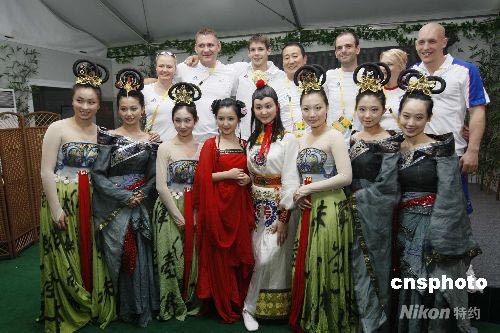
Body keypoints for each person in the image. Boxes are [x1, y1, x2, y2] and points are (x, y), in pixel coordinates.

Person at [396, 70, 481, 332]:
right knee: (406, 281)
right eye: (406, 116)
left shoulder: (440, 150)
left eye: (419, 117)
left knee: (434, 283)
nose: (411, 123)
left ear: (429, 118)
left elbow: (451, 198)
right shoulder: (392, 147)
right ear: (399, 115)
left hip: (434, 226)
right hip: (401, 227)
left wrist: (439, 232)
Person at [39, 59, 115, 333]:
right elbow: (46, 171)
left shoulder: (102, 133)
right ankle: (68, 307)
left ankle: (91, 301)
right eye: (80, 100)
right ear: (72, 100)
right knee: (64, 252)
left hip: (91, 199)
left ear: (99, 105)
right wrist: (56, 208)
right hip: (63, 198)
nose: (85, 107)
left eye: (91, 102)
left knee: (92, 248)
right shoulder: (56, 129)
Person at [289, 65, 357, 332]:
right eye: (306, 109)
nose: (312, 114)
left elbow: (346, 176)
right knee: (308, 261)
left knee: (327, 262)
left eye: (317, 107)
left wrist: (308, 190)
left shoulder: (335, 136)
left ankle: (330, 319)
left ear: (327, 107)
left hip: (331, 208)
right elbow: (298, 175)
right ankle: (313, 315)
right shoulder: (301, 137)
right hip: (309, 208)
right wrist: (298, 194)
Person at [91, 69, 159, 327]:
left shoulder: (151, 141)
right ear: (118, 110)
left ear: (142, 109)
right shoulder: (108, 137)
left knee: (140, 255)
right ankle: (123, 307)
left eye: (134, 108)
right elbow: (98, 175)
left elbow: (154, 176)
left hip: (139, 204)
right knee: (119, 253)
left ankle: (141, 306)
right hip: (115, 206)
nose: (129, 113)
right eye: (124, 108)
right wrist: (123, 195)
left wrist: (141, 194)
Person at [348, 63, 403, 332]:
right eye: (362, 109)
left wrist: (360, 200)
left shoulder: (392, 140)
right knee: (352, 265)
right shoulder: (349, 137)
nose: (367, 115)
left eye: (374, 110)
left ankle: (375, 322)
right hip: (349, 210)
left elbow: (389, 184)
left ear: (383, 111)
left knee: (377, 264)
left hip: (376, 214)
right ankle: (354, 318)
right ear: (355, 110)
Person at [412, 22, 488, 213]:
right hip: (416, 154)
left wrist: (473, 150)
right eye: (421, 42)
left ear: (444, 42)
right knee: (418, 210)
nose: (426, 47)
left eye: (432, 41)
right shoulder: (412, 73)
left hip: (451, 154)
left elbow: (477, 111)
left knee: (455, 212)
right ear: (416, 45)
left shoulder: (465, 70)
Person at [242, 80, 300, 331]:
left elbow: (290, 179)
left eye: (268, 106)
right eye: (258, 107)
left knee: (273, 256)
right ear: (253, 110)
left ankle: (253, 307)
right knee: (256, 256)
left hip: (278, 206)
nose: (264, 111)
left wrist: (284, 216)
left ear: (277, 107)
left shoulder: (288, 139)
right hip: (255, 205)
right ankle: (251, 306)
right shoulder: (252, 139)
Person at [193, 98, 255, 323]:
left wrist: (247, 179)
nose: (226, 123)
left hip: (238, 207)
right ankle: (220, 301)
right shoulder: (211, 144)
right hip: (216, 207)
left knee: (238, 253)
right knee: (219, 253)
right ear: (216, 119)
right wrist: (228, 175)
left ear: (239, 119)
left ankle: (238, 299)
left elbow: (253, 174)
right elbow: (201, 177)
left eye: (230, 118)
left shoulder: (245, 143)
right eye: (221, 118)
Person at [152, 82, 202, 320]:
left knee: (194, 257)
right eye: (178, 120)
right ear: (172, 121)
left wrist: (194, 213)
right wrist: (177, 215)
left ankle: (191, 299)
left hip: (195, 209)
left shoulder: (204, 148)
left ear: (195, 121)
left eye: (187, 120)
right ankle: (170, 303)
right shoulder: (165, 147)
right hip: (169, 209)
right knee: (170, 258)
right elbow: (161, 185)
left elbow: (205, 183)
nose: (183, 125)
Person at [176, 27, 242, 143]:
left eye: (210, 45)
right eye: (201, 46)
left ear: (219, 46)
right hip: (190, 140)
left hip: (221, 140)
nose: (206, 50)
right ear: (195, 48)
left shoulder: (230, 73)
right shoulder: (184, 68)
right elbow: (161, 83)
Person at [234, 34, 286, 140]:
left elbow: (283, 108)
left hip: (273, 137)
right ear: (249, 53)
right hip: (244, 136)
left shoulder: (280, 76)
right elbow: (215, 67)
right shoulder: (239, 71)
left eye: (260, 49)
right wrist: (197, 58)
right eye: (253, 50)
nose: (256, 53)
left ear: (269, 51)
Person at [326, 31, 361, 142]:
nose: (343, 51)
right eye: (339, 48)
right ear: (336, 53)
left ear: (357, 49)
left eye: (348, 46)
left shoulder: (368, 75)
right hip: (334, 142)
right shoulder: (328, 76)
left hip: (363, 142)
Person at [143, 50, 177, 141]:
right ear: (156, 68)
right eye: (161, 66)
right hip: (152, 146)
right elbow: (134, 118)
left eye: (169, 67)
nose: (165, 70)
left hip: (176, 147)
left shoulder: (180, 92)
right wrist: (142, 135)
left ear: (175, 69)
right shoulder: (145, 90)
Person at [379, 48, 408, 131]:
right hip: (376, 139)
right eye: (382, 64)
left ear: (401, 67)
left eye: (389, 64)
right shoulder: (373, 90)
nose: (384, 68)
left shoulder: (409, 91)